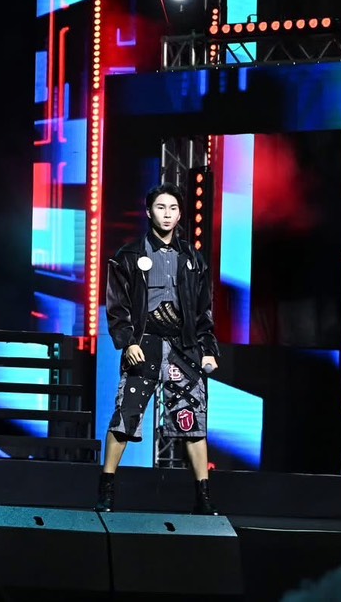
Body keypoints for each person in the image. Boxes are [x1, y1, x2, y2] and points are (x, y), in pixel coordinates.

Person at [97, 182, 221, 515]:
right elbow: (117, 306)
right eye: (161, 208)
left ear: (180, 215)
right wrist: (127, 342)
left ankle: (203, 497)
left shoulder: (192, 258)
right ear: (148, 211)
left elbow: (203, 310)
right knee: (126, 416)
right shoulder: (128, 255)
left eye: (173, 209)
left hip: (184, 348)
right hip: (145, 344)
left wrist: (208, 348)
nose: (167, 215)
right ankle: (106, 490)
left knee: (193, 420)